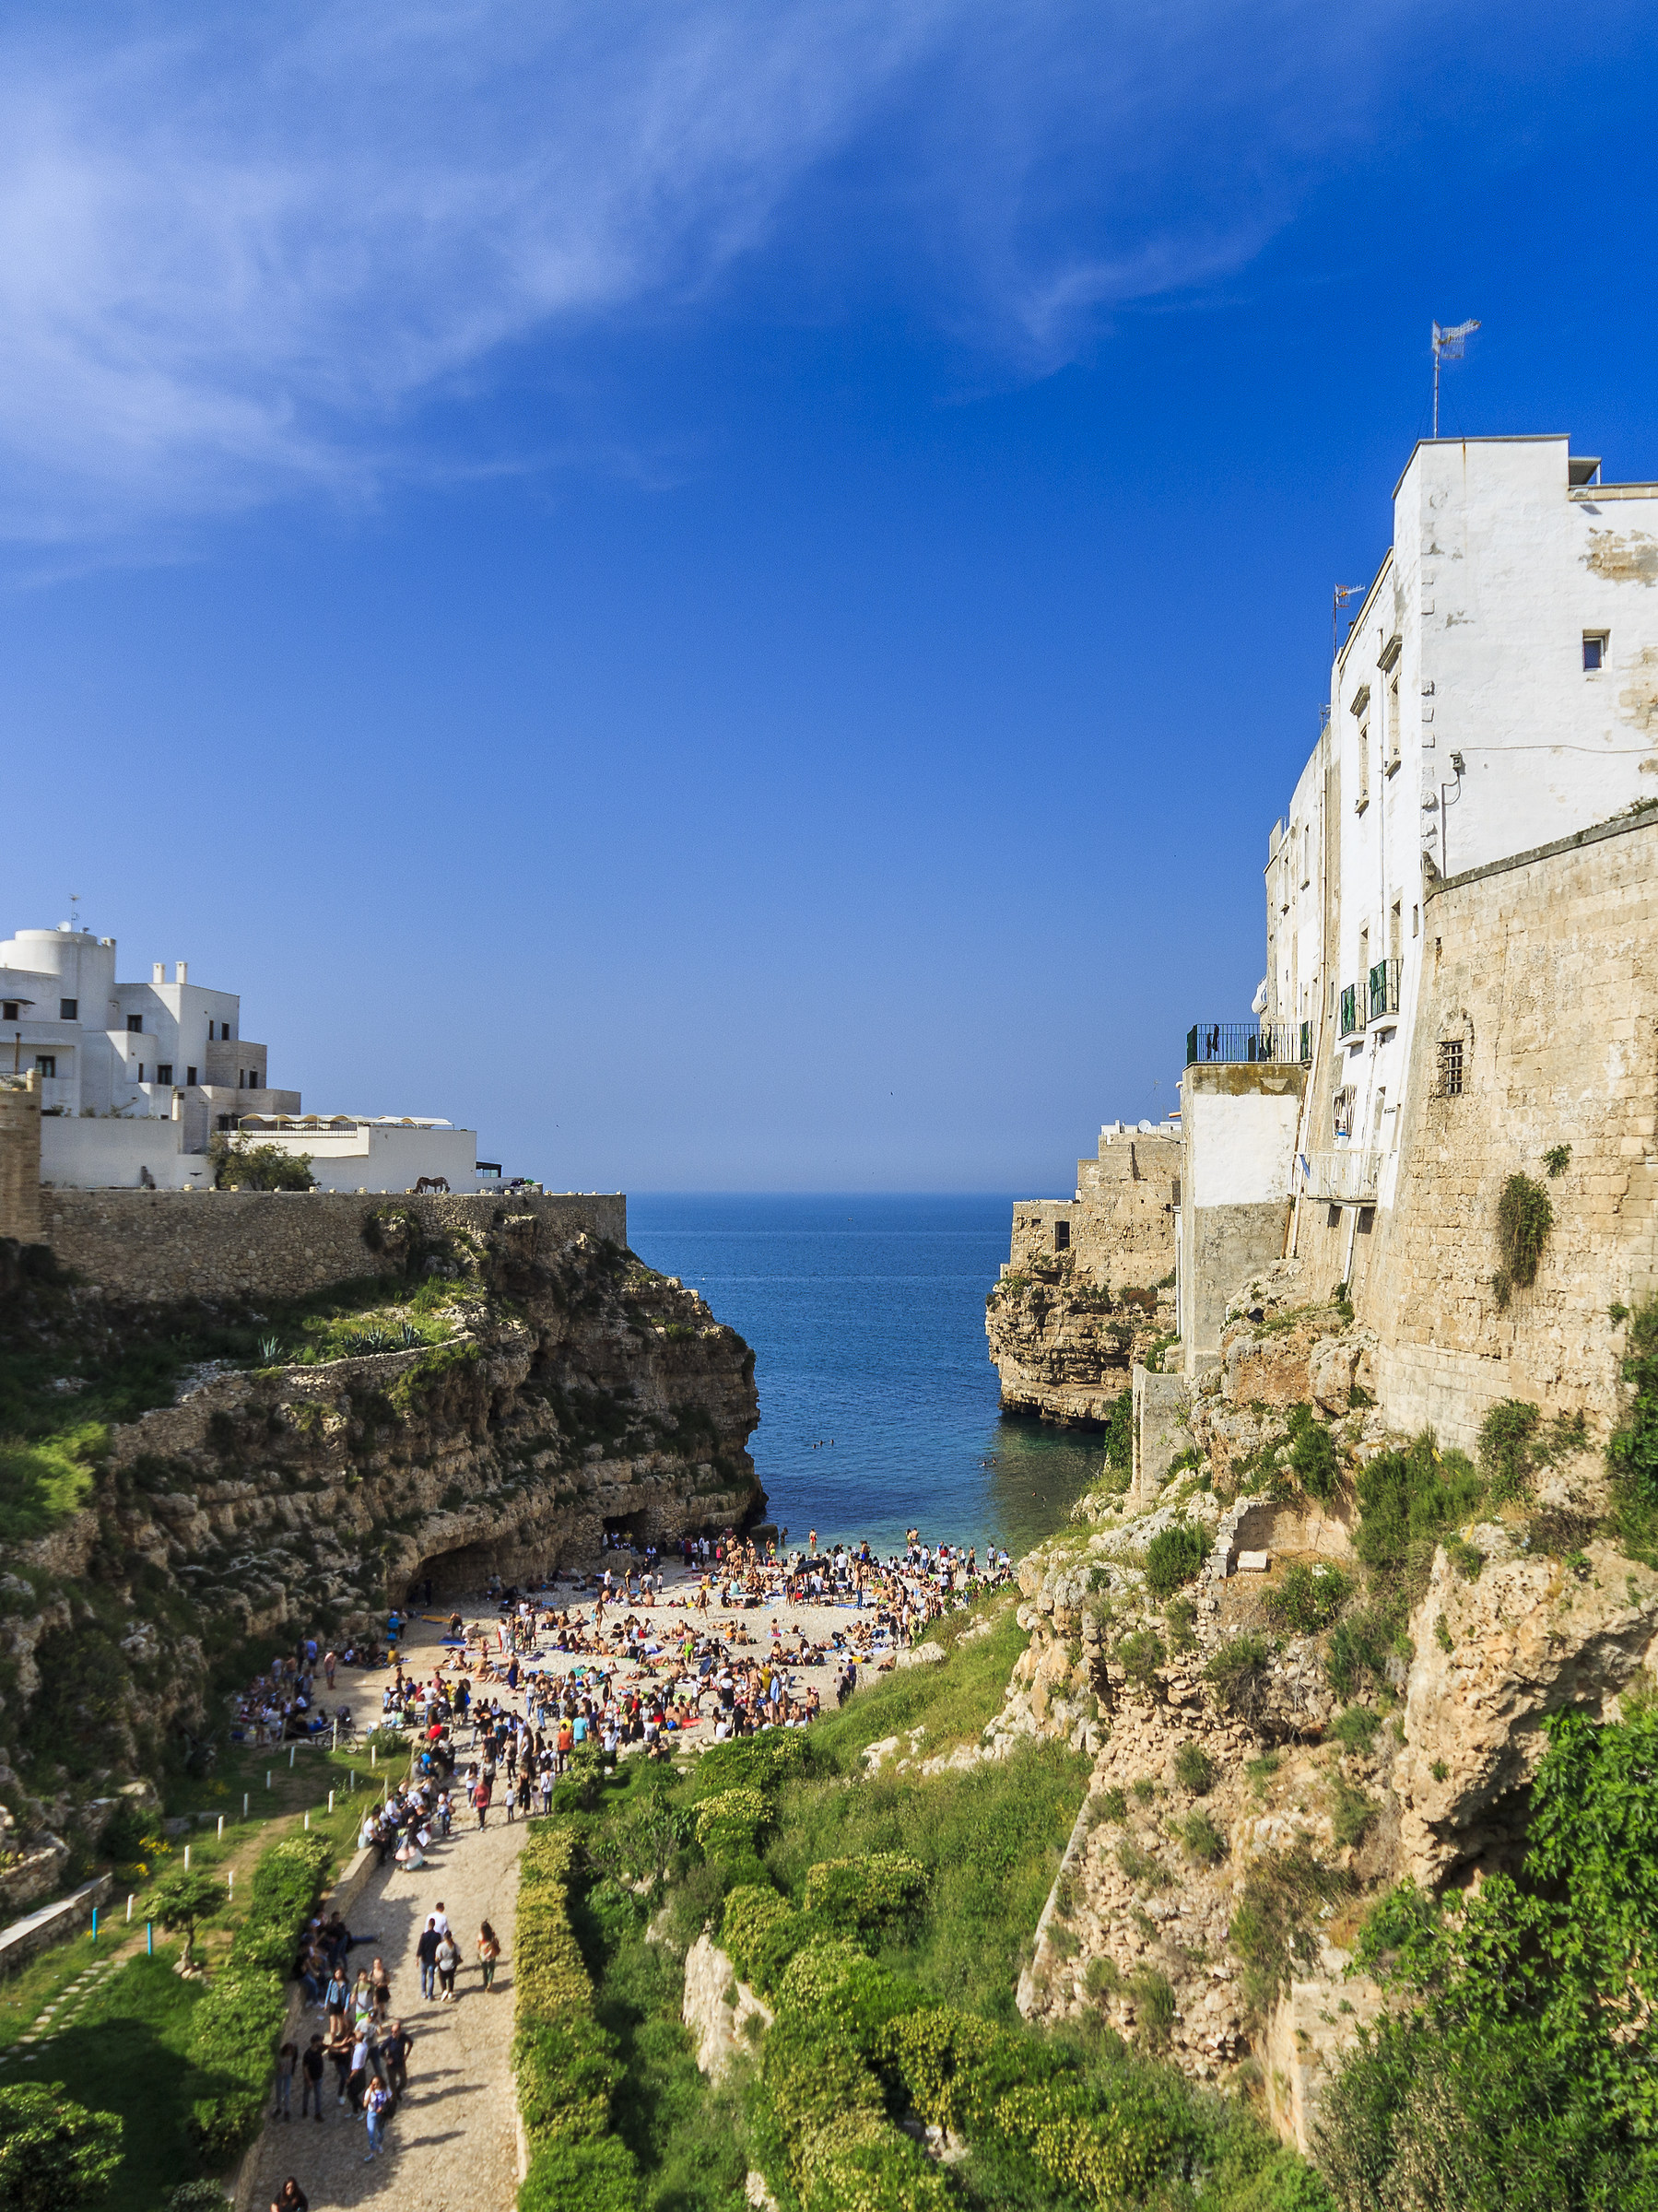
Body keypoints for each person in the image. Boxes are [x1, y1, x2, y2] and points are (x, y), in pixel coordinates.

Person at [300, 2033, 327, 2123]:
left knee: (318, 2096)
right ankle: (304, 2109)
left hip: (319, 2077)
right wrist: (308, 2080)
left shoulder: (320, 2049)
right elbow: (305, 2068)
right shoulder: (308, 2054)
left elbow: (329, 2046)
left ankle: (318, 2113)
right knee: (306, 2095)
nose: (321, 2042)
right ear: (315, 2042)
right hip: (311, 2078)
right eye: (319, 2041)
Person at [363, 2075, 390, 2163]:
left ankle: (379, 2144)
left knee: (381, 2132)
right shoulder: (369, 2091)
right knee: (371, 2132)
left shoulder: (385, 2089)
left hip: (381, 2114)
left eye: (376, 2084)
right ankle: (372, 2152)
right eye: (373, 2084)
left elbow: (390, 2099)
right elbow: (364, 2104)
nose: (374, 2086)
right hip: (372, 2113)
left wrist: (383, 2107)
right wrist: (370, 2092)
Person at [417, 1917, 441, 2001]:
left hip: (424, 1958)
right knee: (431, 1976)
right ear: (434, 1925)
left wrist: (417, 1958)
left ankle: (423, 1992)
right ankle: (430, 1994)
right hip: (432, 1959)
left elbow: (420, 1948)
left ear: (428, 1925)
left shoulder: (424, 1935)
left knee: (423, 1975)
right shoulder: (437, 1936)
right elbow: (438, 1947)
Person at [273, 2041, 297, 2121]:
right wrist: (278, 2067)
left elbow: (294, 2063)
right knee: (279, 2092)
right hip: (279, 2074)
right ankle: (279, 2107)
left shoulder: (293, 2055)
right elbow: (276, 2063)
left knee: (287, 2092)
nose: (289, 2054)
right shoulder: (280, 2056)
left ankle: (287, 2110)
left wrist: (292, 2072)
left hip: (288, 2075)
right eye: (288, 2052)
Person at [435, 1927, 460, 2002]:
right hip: (452, 1965)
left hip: (443, 1965)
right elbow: (458, 1953)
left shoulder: (441, 1946)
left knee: (442, 1978)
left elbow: (437, 1957)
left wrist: (436, 1962)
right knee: (451, 1978)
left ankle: (444, 1990)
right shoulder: (454, 1945)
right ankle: (450, 1992)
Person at [477, 1920, 500, 1994]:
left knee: (484, 1970)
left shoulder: (480, 1936)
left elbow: (478, 1946)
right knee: (491, 1969)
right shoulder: (492, 1934)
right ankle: (490, 1982)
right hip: (491, 1954)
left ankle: (485, 1983)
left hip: (483, 1955)